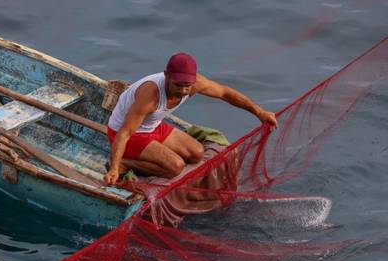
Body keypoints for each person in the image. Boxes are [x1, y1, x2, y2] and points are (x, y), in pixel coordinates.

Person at [103, 52, 278, 186]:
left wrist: (259, 112)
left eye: (187, 86)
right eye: (178, 85)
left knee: (197, 153)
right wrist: (114, 168)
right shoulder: (150, 95)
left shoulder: (195, 85)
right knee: (175, 167)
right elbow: (125, 133)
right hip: (125, 133)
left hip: (153, 126)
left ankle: (142, 158)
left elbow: (225, 93)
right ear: (166, 75)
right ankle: (125, 163)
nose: (183, 91)